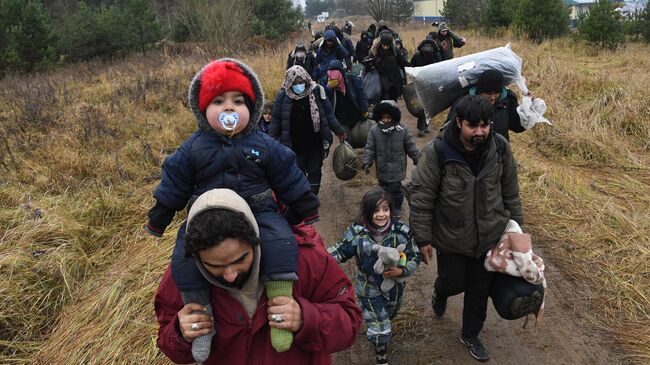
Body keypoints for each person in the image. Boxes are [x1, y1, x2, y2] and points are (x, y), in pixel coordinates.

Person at [146, 58, 321, 362]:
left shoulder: (262, 143)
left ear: (251, 109)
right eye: (218, 101)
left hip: (258, 208)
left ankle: (280, 307)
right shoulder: (194, 148)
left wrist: (303, 203)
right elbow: (175, 180)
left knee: (280, 240)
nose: (229, 109)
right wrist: (161, 214)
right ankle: (201, 319)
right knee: (185, 255)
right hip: (207, 215)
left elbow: (286, 172)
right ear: (202, 111)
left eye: (238, 101)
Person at [155, 188, 362, 364]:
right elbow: (168, 344)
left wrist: (305, 319)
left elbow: (350, 324)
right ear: (196, 258)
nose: (229, 275)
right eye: (214, 265)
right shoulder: (182, 279)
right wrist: (180, 333)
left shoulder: (304, 260)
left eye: (239, 259)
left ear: (255, 240)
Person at [408, 95, 523, 362]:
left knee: (478, 289)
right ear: (459, 123)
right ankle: (440, 291)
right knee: (453, 281)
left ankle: (471, 334)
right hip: (452, 238)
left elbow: (511, 192)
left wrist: (518, 231)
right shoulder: (437, 153)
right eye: (473, 126)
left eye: (485, 125)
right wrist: (423, 237)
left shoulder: (500, 148)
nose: (480, 132)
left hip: (489, 237)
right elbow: (422, 197)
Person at [328, 187, 420, 365]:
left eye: (385, 209)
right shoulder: (358, 234)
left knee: (390, 313)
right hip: (368, 288)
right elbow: (339, 251)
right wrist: (319, 259)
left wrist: (402, 271)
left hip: (394, 287)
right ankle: (381, 355)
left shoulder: (400, 232)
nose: (381, 215)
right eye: (376, 210)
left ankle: (382, 329)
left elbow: (414, 255)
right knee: (380, 326)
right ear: (368, 212)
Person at [269, 65, 346, 195]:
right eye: (295, 83)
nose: (298, 85)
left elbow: (328, 114)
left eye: (301, 82)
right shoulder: (283, 96)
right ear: (289, 83)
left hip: (315, 141)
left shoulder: (316, 92)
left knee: (315, 170)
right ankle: (303, 194)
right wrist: (270, 141)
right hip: (294, 143)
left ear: (306, 80)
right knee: (297, 170)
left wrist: (339, 130)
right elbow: (276, 120)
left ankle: (313, 194)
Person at [362, 100, 419, 218]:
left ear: (395, 116)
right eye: (383, 118)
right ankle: (386, 207)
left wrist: (417, 158)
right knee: (383, 190)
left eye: (389, 118)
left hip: (397, 167)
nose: (386, 120)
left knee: (396, 190)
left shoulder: (402, 130)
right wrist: (367, 161)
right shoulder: (374, 131)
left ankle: (396, 208)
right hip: (382, 167)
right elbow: (370, 148)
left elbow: (411, 146)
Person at [446, 69, 526, 141]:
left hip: (498, 153)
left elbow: (517, 127)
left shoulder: (507, 101)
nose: (493, 97)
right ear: (479, 91)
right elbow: (448, 131)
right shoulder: (464, 103)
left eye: (497, 93)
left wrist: (527, 111)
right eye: (488, 93)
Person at [322, 59, 369, 137]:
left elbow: (361, 94)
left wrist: (364, 109)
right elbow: (325, 100)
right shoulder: (325, 81)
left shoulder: (351, 78)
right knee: (346, 138)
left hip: (355, 113)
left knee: (358, 136)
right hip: (340, 117)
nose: (333, 77)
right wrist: (329, 88)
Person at [410, 38, 442, 136]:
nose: (427, 50)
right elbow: (411, 68)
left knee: (429, 106)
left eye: (429, 47)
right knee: (422, 105)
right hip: (419, 83)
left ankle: (426, 125)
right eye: (426, 48)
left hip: (431, 83)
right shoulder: (416, 56)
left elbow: (440, 68)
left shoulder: (437, 56)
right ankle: (421, 127)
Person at [371, 32, 409, 101]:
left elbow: (403, 62)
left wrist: (412, 68)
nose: (385, 47)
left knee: (393, 97)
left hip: (394, 78)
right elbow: (371, 63)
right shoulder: (375, 51)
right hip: (382, 79)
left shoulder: (395, 51)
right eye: (384, 45)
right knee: (385, 97)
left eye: (387, 46)